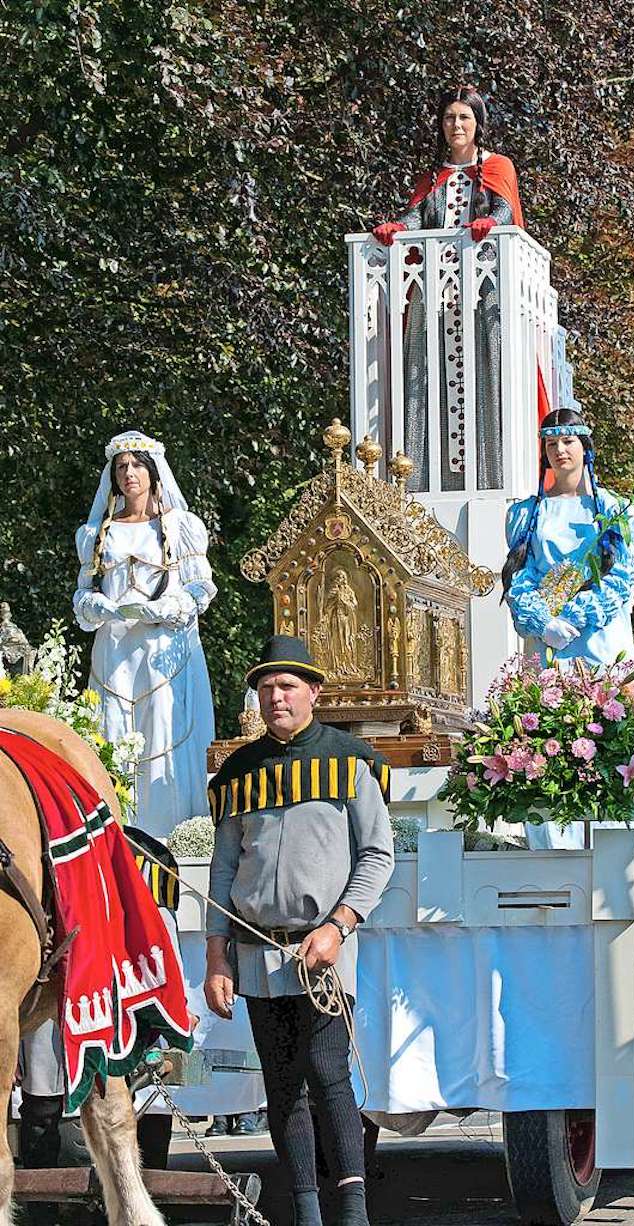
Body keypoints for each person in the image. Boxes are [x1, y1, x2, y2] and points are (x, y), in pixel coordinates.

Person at [204, 635, 394, 1226]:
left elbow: (377, 855)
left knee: (328, 1070)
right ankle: (306, 1211)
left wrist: (340, 926)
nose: (274, 697)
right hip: (256, 951)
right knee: (282, 1083)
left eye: (286, 686)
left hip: (324, 949)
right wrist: (216, 956)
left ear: (314, 691)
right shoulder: (238, 771)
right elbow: (225, 866)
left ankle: (354, 1211)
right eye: (265, 688)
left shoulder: (350, 759)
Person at [371, 85, 545, 492]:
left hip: (482, 292)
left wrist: (489, 225)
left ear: (478, 123)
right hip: (436, 290)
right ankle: (420, 479)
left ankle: (491, 478)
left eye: (464, 117)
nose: (456, 125)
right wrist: (399, 228)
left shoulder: (498, 166)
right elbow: (416, 215)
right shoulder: (433, 176)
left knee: (484, 377)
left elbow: (504, 210)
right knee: (424, 376)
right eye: (450, 118)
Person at [72, 431, 216, 838]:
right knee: (114, 732)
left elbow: (201, 586)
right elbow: (84, 592)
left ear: (153, 472)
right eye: (121, 466)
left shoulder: (180, 526)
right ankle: (118, 833)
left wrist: (170, 606)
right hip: (116, 650)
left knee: (164, 731)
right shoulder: (97, 533)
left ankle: (173, 835)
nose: (128, 473)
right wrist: (96, 606)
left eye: (136, 465)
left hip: (163, 650)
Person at [502, 407, 634, 669]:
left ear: (585, 446)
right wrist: (544, 623)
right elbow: (520, 576)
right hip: (548, 639)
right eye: (552, 443)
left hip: (600, 638)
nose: (559, 450)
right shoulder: (527, 513)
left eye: (568, 441)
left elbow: (619, 577)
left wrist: (574, 616)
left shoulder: (616, 510)